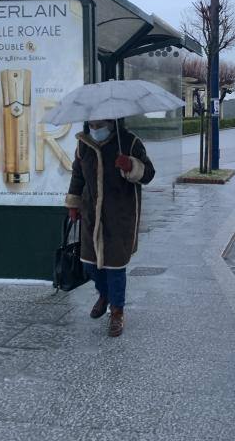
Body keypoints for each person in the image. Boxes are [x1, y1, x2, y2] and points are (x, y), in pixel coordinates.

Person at [65, 119, 155, 337]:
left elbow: (149, 174)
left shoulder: (130, 142)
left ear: (111, 120)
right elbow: (77, 176)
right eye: (93, 124)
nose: (96, 127)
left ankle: (117, 311)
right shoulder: (83, 144)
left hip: (120, 214)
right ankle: (104, 295)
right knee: (90, 265)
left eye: (101, 123)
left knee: (115, 267)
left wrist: (131, 166)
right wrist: (73, 204)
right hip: (91, 215)